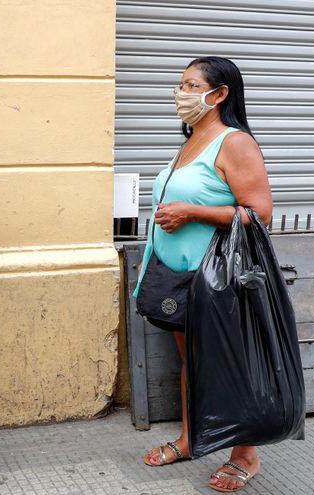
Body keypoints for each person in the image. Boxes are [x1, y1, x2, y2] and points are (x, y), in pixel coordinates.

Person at [133, 57, 272, 493]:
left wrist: (192, 211)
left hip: (216, 279)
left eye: (192, 85)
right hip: (178, 278)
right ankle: (192, 439)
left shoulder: (235, 143)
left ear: (219, 94)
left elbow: (260, 213)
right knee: (190, 361)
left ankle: (246, 454)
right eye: (181, 84)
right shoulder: (192, 140)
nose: (182, 92)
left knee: (228, 364)